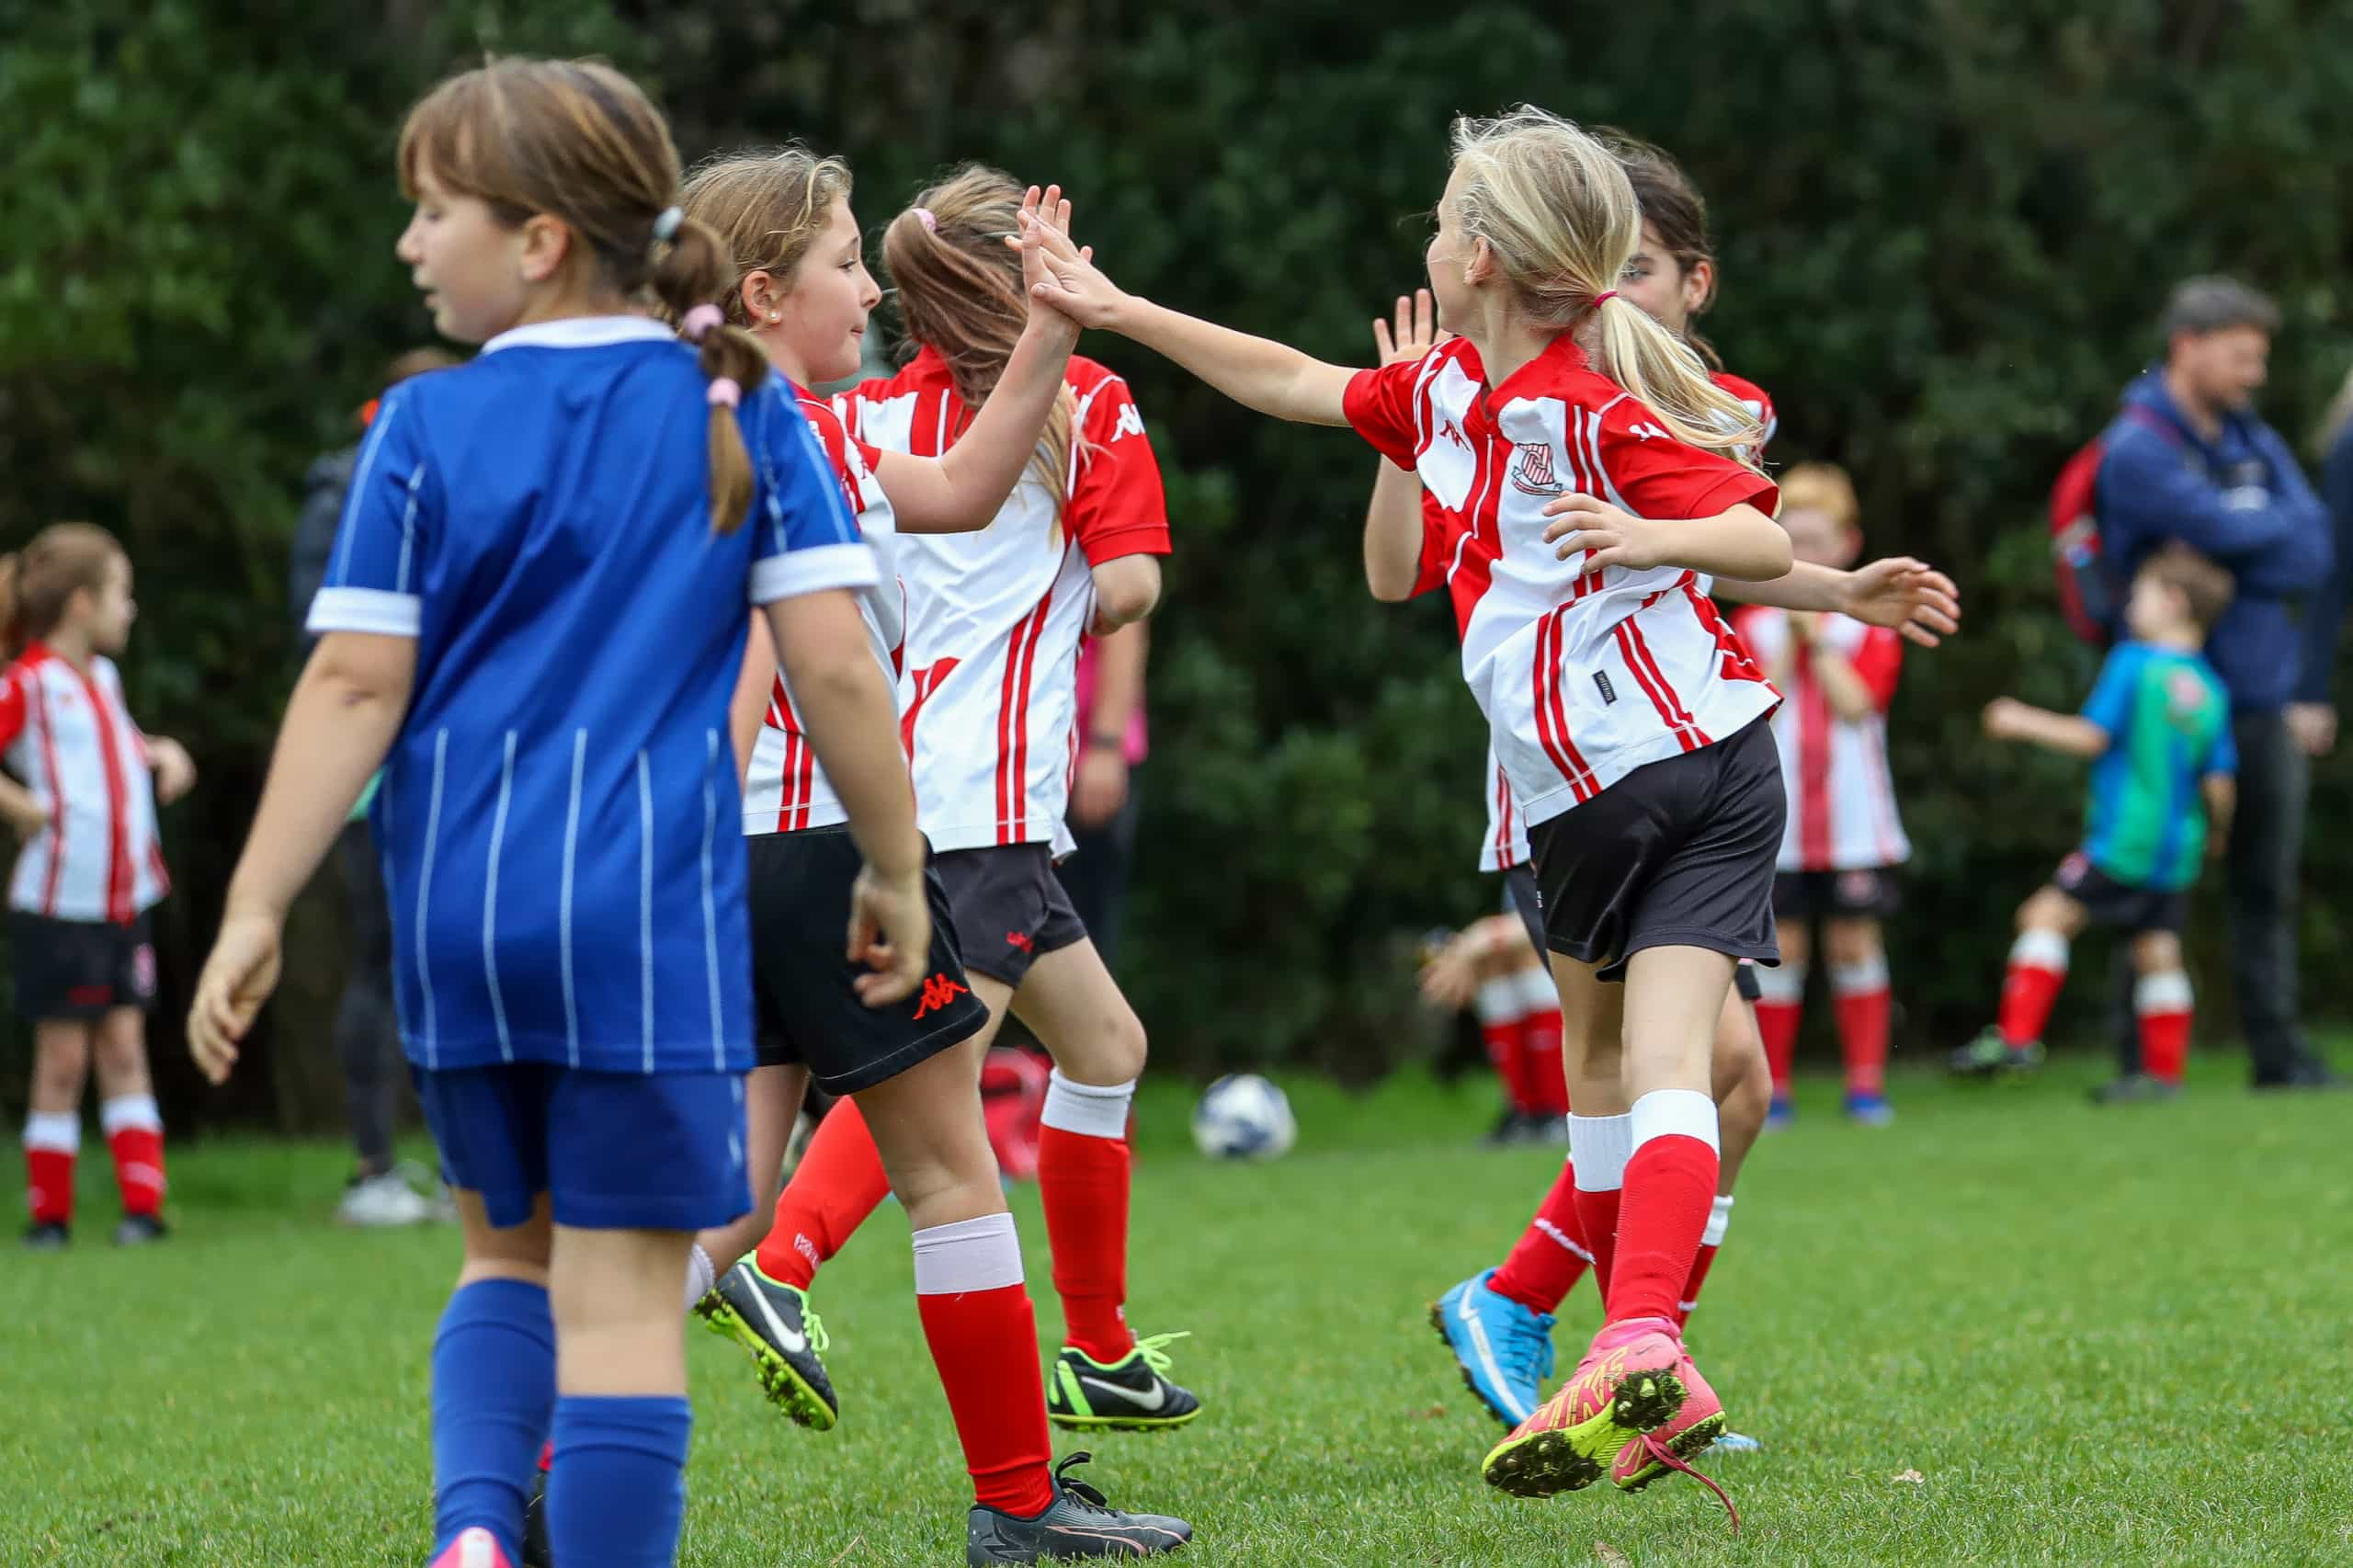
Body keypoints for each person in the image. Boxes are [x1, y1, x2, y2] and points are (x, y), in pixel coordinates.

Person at [183, 57, 935, 1568]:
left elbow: (348, 690)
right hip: (639, 924)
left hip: (454, 911)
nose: (411, 244)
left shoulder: (420, 428)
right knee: (618, 1298)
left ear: (535, 241)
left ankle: (473, 1535)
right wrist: (899, 867)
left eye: (433, 210)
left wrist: (256, 902)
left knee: (497, 1257)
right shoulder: (739, 412)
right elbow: (840, 671)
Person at [1026, 106, 1794, 1517]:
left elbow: (1760, 535)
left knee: (1647, 1060)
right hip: (1651, 775)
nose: (1428, 236)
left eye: (1442, 216)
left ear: (1484, 254)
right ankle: (1637, 1340)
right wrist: (1116, 306)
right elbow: (1288, 380)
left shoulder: (1585, 398)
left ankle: (1617, 1331)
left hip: (1650, 784)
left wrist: (1653, 533)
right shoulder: (1446, 387)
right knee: (1664, 1064)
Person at [1370, 138, 1956, 1476]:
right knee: (1677, 1074)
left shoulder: (1694, 403)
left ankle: (1634, 1359)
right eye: (1597, 265)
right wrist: (1400, 426)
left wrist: (1835, 585)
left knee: (1727, 1084)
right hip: (1575, 771)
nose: (1608, 291)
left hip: (1666, 745)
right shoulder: (1518, 389)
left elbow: (1700, 560)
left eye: (1638, 268)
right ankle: (1564, 1320)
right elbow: (1407, 565)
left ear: (1697, 283)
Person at [671, 145, 1189, 1562]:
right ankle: (1022, 1505)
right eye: (846, 266)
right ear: (769, 292)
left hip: (716, 858)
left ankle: (527, 1467)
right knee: (954, 1174)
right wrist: (889, 857)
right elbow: (811, 666)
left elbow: (958, 486)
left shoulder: (707, 425)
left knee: (718, 1194)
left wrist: (1049, 330)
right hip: (820, 847)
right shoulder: (795, 440)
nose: (868, 293)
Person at [2090, 278, 2336, 1090]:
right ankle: (2140, 1067)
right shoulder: (2137, 447)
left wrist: (2237, 539)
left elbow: (2316, 548)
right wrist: (2252, 530)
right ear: (2189, 346)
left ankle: (2280, 1057)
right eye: (2243, 356)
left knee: (2267, 880)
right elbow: (2257, 531)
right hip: (2170, 705)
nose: (2255, 375)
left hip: (2260, 696)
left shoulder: (2249, 435)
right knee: (2147, 880)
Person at [1950, 548, 2236, 1103]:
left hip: (2122, 838)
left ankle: (2015, 1042)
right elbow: (2221, 784)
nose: (2132, 603)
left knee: (2044, 916)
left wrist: (2019, 719)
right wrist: (2218, 832)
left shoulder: (2134, 663)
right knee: (2158, 949)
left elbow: (2092, 737)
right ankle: (2162, 1078)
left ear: (2174, 603)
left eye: (2144, 592)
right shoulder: (2211, 690)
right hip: (2179, 845)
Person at [290, 347, 460, 1228]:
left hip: (453, 768)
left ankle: (451, 1163)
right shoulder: (347, 494)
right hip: (378, 776)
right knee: (378, 959)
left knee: (439, 962)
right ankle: (371, 1171)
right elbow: (332, 650)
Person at [1, 523, 195, 1249]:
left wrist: (164, 755)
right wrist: (24, 807)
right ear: (82, 604)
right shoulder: (28, 685)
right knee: (63, 1058)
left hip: (125, 899)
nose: (131, 610)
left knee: (124, 1048)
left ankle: (143, 1208)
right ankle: (48, 1216)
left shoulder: (105, 682)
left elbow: (120, 751)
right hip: (60, 902)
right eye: (123, 594)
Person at [1733, 463, 1911, 1126]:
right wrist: (1789, 641)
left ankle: (1866, 1085)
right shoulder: (1751, 624)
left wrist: (1817, 639)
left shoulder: (1871, 626)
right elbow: (1753, 707)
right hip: (1772, 822)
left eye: (1816, 539)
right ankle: (1772, 1087)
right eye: (1790, 538)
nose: (1802, 552)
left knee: (1855, 945)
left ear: (1847, 544)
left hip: (1854, 821)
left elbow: (1858, 705)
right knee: (1782, 949)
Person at [1055, 622, 1148, 971]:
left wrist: (1107, 746)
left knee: (1081, 941)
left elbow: (1126, 620)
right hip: (1005, 758)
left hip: (1084, 757)